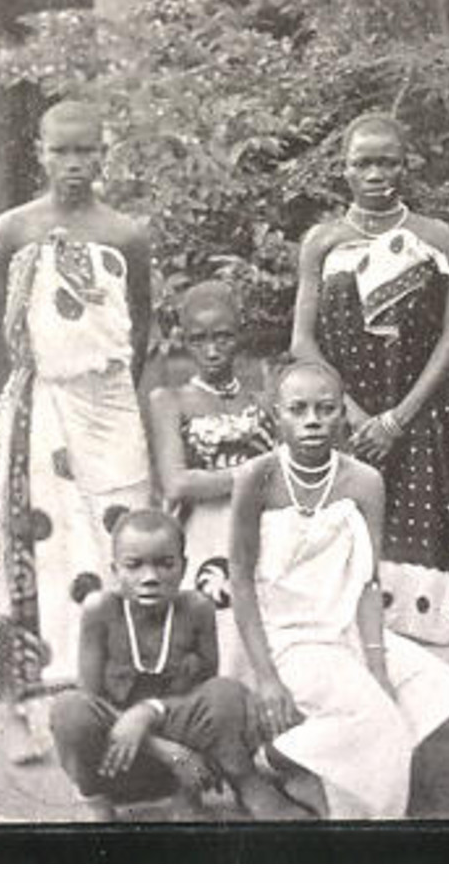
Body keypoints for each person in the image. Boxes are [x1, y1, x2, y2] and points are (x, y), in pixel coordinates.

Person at [0, 99, 155, 764]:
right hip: (39, 405)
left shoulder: (124, 234)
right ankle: (22, 704)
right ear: (39, 152)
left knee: (123, 537)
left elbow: (141, 323)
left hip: (109, 408)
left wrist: (112, 397)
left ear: (104, 155)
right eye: (62, 151)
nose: (74, 165)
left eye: (87, 151)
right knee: (34, 547)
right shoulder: (14, 228)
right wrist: (18, 395)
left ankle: (111, 694)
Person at [228, 361, 449, 819]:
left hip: (348, 630)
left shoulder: (365, 482)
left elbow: (368, 582)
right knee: (377, 723)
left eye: (326, 409)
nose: (312, 420)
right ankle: (297, 776)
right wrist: (266, 678)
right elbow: (242, 584)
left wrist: (378, 664)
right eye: (298, 409)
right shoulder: (256, 479)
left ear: (343, 415)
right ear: (275, 415)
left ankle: (446, 822)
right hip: (286, 641)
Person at [288, 113, 449, 582]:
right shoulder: (323, 241)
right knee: (342, 552)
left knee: (421, 562)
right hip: (345, 418)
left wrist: (397, 419)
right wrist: (353, 416)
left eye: (387, 163)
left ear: (404, 167)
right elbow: (302, 341)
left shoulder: (434, 237)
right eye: (364, 163)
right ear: (345, 169)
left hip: (421, 414)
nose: (376, 175)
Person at [48, 509, 306, 821]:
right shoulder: (100, 610)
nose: (150, 577)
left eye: (164, 564)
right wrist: (163, 750)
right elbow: (90, 700)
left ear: (183, 568)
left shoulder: (196, 609)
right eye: (134, 565)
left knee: (226, 693)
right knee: (69, 708)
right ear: (115, 570)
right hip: (118, 759)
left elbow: (205, 700)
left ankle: (239, 783)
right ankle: (96, 803)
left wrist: (149, 711)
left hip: (186, 764)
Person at [148, 280, 275, 681]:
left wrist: (219, 479)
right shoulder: (170, 400)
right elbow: (177, 484)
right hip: (205, 532)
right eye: (199, 339)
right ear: (184, 341)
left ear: (240, 336)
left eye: (223, 337)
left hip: (261, 526)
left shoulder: (261, 399)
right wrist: (251, 472)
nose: (212, 350)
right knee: (217, 624)